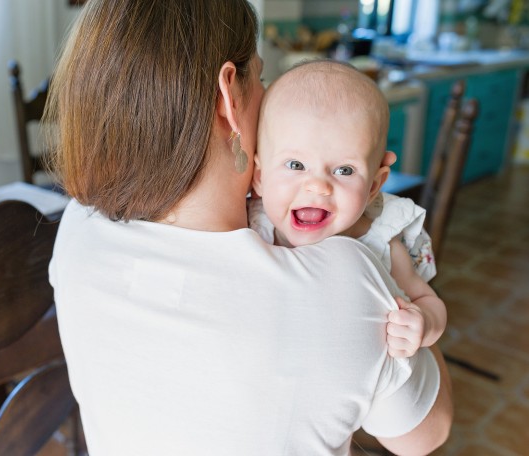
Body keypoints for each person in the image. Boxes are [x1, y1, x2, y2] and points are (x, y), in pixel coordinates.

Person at [46, 0, 452, 454]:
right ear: (228, 100)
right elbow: (425, 434)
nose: (268, 94)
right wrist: (384, 262)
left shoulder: (78, 226)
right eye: (260, 77)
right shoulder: (349, 276)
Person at [249, 60, 447, 359]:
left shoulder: (381, 244)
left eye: (344, 170)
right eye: (296, 165)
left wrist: (424, 324)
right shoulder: (250, 229)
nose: (317, 186)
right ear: (260, 177)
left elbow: (427, 300)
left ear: (373, 187)